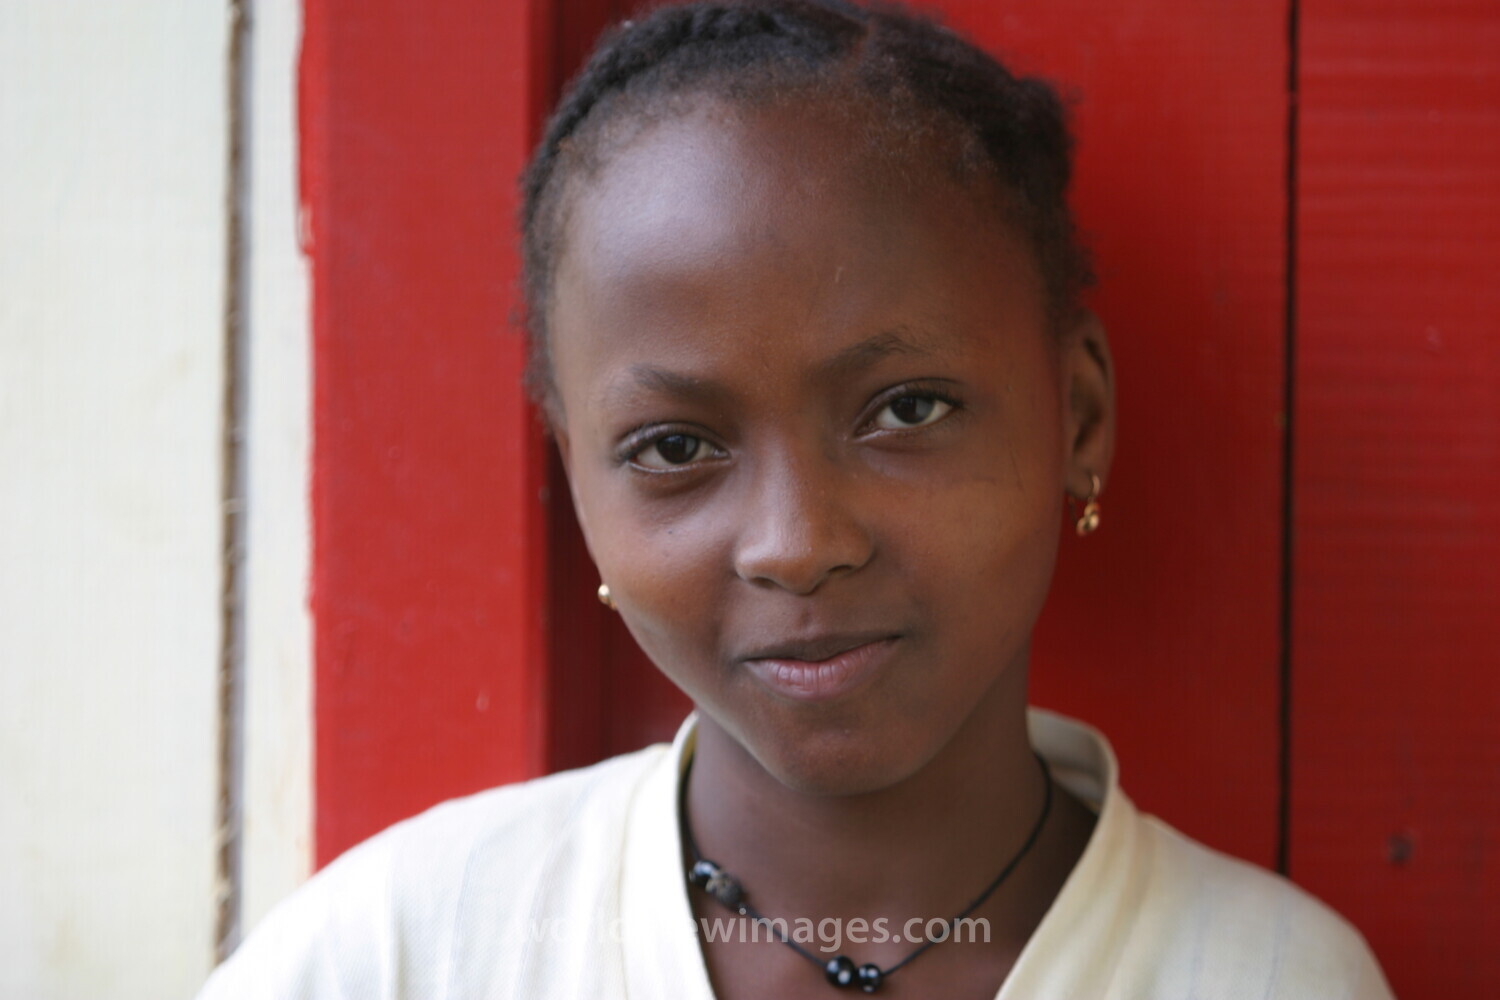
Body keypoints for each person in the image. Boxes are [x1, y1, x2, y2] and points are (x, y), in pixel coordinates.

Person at [200, 1, 1394, 997]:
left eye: (909, 409)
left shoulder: (1265, 974)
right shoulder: (408, 950)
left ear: (1076, 417)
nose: (797, 544)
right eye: (675, 445)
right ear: (576, 479)